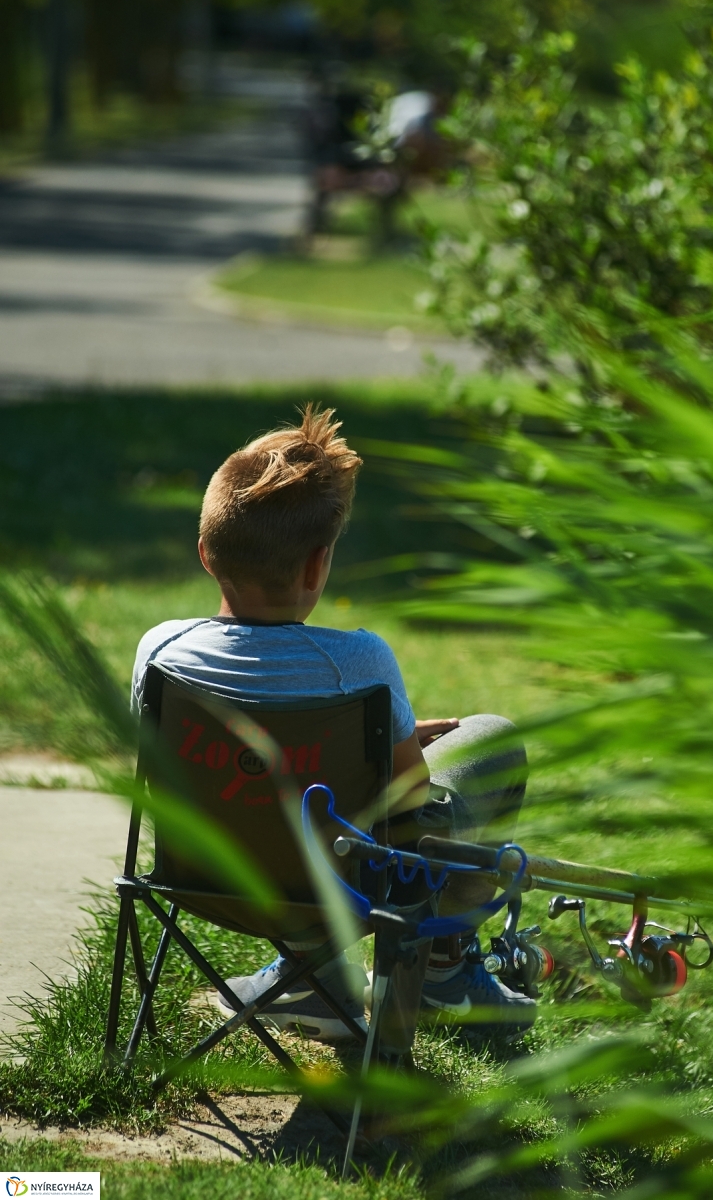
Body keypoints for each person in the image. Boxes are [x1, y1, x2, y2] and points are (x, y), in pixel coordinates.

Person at [131, 406, 533, 1041]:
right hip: (344, 893)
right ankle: (444, 971)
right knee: (492, 738)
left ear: (207, 554)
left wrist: (382, 741)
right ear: (317, 567)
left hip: (203, 883)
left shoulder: (161, 654)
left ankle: (305, 982)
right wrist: (386, 749)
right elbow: (413, 806)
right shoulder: (361, 663)